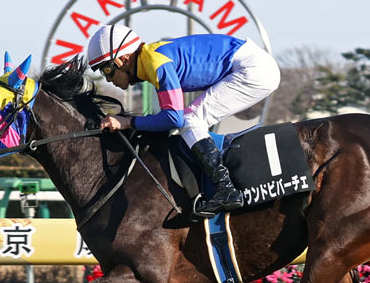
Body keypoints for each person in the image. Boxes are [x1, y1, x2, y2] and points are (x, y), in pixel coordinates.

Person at [88, 24, 280, 218]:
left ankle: (225, 189)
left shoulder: (154, 62)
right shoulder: (150, 59)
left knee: (190, 120)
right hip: (252, 64)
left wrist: (127, 122)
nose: (108, 79)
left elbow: (174, 118)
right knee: (192, 118)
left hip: (253, 69)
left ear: (124, 59)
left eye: (107, 69)